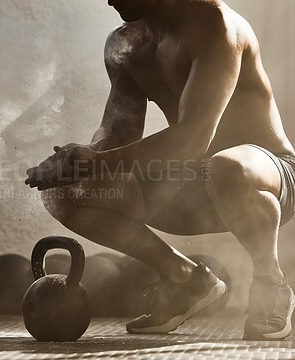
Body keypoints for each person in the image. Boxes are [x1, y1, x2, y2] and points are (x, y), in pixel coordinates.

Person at [25, 0, 295, 340]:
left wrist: (93, 161)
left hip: (268, 175)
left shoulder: (215, 24)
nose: (109, 0)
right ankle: (186, 280)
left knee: (226, 167)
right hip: (189, 184)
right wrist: (74, 162)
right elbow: (117, 137)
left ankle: (272, 283)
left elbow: (194, 138)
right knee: (64, 194)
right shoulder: (124, 45)